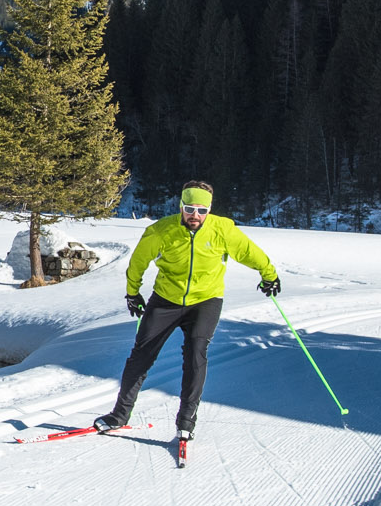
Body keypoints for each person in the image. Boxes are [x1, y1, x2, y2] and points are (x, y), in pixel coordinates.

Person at [94, 181, 280, 444]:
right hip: (166, 299)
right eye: (190, 208)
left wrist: (269, 275)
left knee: (195, 352)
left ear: (209, 210)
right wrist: (132, 293)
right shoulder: (160, 231)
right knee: (141, 355)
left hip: (206, 299)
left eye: (202, 210)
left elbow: (250, 253)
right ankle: (119, 415)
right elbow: (138, 263)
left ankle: (185, 422)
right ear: (181, 206)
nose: (195, 215)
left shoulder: (223, 230)